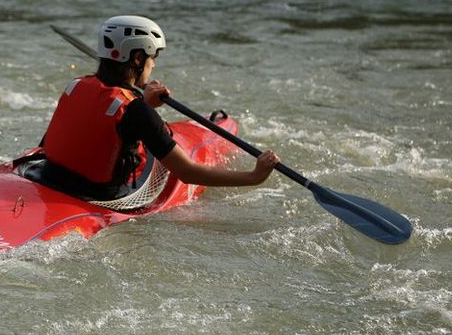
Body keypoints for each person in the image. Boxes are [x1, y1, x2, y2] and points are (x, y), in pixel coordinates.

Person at [40, 15, 280, 201]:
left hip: (48, 177)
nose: (153, 65)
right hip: (99, 196)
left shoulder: (76, 86)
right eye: (152, 57)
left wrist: (141, 102)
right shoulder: (136, 111)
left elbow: (100, 120)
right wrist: (254, 176)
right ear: (137, 58)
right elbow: (186, 172)